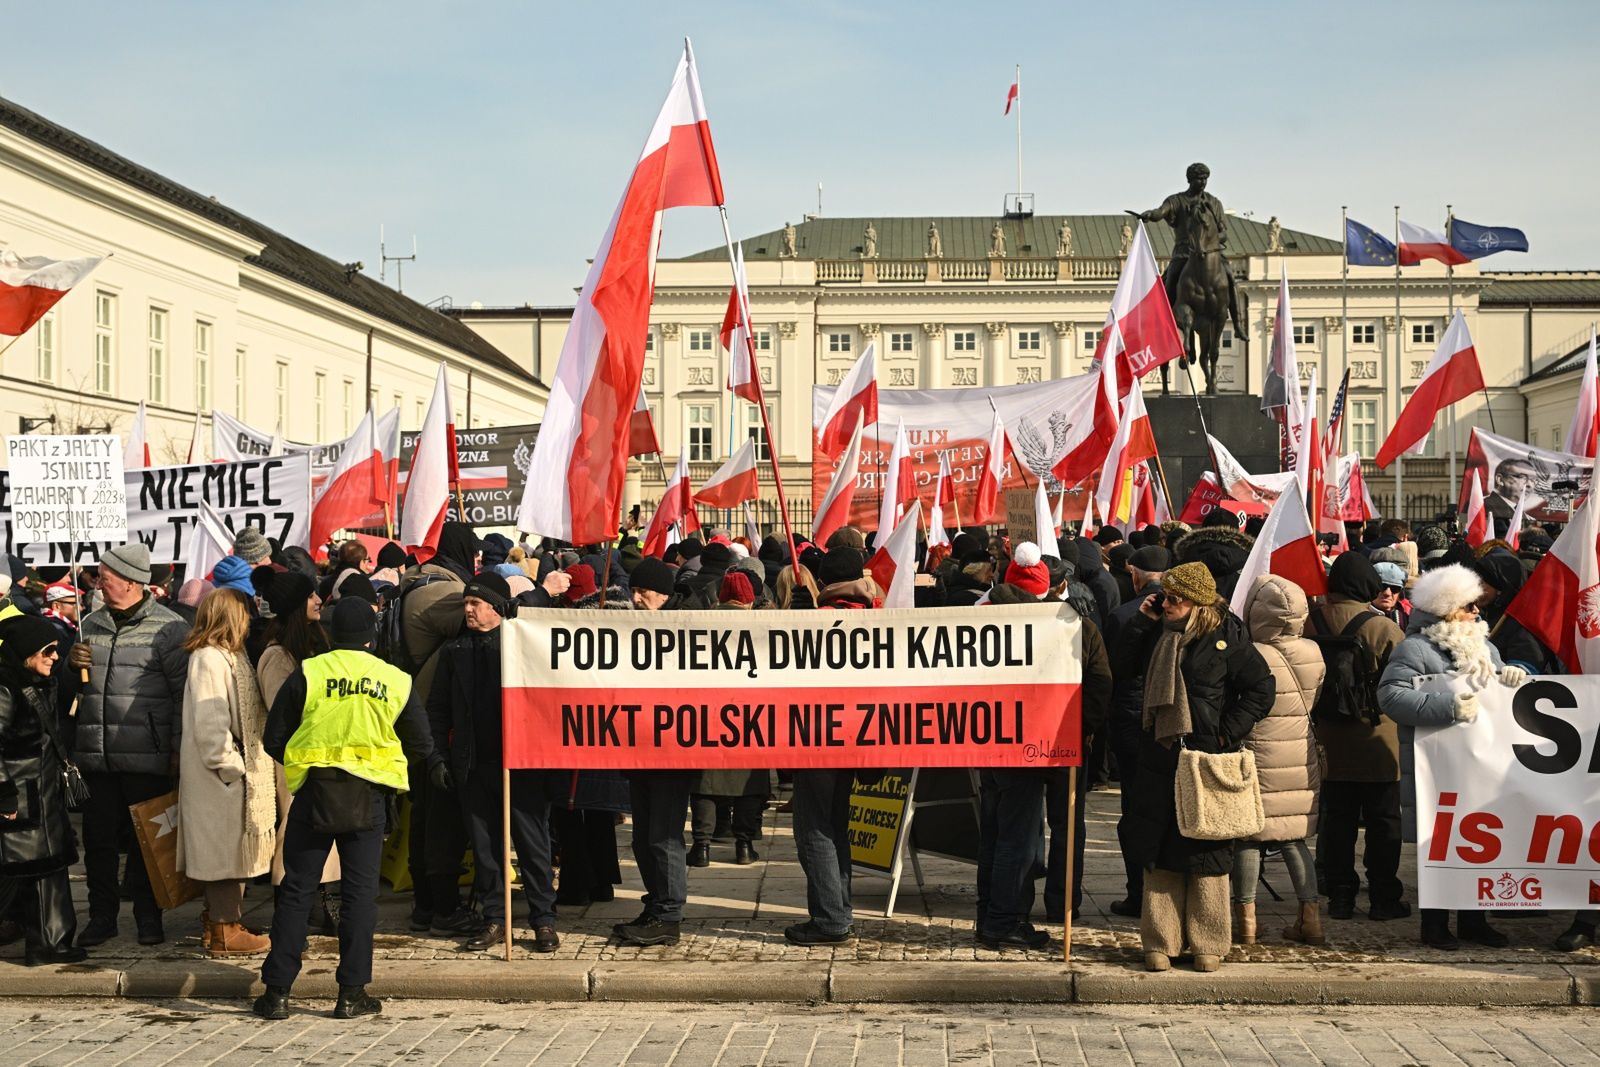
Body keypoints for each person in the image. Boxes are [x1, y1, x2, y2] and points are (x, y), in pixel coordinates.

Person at [255, 597, 443, 1020]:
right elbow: (421, 743)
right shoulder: (394, 679)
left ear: (330, 634)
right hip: (368, 800)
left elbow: (274, 739)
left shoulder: (309, 672)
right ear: (372, 638)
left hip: (314, 796)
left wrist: (306, 764)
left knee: (297, 893)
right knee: (360, 898)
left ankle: (277, 993)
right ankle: (351, 993)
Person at [1114, 562, 1274, 972]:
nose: (1166, 603)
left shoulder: (1226, 636)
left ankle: (1208, 941)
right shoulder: (1154, 630)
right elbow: (1122, 668)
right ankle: (1161, 941)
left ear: (1197, 604)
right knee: (1159, 847)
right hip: (1160, 755)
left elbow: (1260, 688)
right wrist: (1140, 623)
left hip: (1206, 756)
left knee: (1208, 848)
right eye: (1164, 596)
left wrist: (1225, 733)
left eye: (1174, 598)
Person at [1377, 563, 1526, 951]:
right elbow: (1391, 696)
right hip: (1438, 768)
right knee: (1440, 846)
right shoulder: (1415, 649)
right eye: (1469, 607)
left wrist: (1512, 676)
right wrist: (1448, 707)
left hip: (1480, 765)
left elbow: (1495, 690)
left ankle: (1474, 921)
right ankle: (1435, 924)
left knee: (1478, 845)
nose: (1478, 613)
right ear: (1447, 608)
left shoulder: (1484, 645)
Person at [66, 543, 190, 948]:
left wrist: (174, 752)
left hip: (146, 756)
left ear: (134, 583)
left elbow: (181, 696)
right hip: (96, 755)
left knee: (145, 845)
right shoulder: (91, 624)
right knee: (99, 842)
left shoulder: (170, 629)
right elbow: (70, 693)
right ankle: (102, 917)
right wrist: (72, 666)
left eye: (107, 577)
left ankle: (148, 917)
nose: (99, 583)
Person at [428, 572, 559, 954]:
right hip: (473, 765)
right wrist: (438, 756)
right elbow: (438, 709)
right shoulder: (454, 651)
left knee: (532, 845)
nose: (468, 609)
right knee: (486, 849)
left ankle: (543, 919)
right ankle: (494, 918)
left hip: (520, 763)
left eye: (475, 603)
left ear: (495, 607)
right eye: (466, 603)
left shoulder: (520, 645)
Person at [1311, 554, 1410, 923]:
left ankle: (1339, 895)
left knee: (1337, 822)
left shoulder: (1311, 620)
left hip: (1328, 740)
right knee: (1384, 821)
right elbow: (1405, 681)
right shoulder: (1382, 627)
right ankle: (1384, 896)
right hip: (1377, 739)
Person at [179, 589, 276, 958]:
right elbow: (211, 724)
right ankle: (224, 929)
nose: (249, 621)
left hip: (227, 776)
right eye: (245, 614)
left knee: (230, 854)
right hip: (219, 778)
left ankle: (220, 925)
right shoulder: (208, 659)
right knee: (223, 857)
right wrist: (233, 767)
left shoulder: (227, 656)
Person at [395, 522, 479, 936]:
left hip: (418, 713)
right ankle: (443, 907)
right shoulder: (440, 591)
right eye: (473, 551)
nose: (478, 559)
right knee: (439, 815)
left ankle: (426, 904)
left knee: (425, 812)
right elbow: (487, 613)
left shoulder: (421, 583)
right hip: (431, 718)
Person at [1234, 575, 1326, 946]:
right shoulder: (1314, 652)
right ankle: (1311, 919)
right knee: (1294, 838)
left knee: (1249, 837)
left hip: (1258, 753)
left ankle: (1246, 923)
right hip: (1300, 755)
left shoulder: (1250, 653)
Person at [612, 557, 697, 947]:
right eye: (633, 591)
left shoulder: (688, 625)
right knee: (643, 836)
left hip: (672, 754)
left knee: (663, 836)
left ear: (663, 595)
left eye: (642, 593)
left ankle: (668, 915)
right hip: (640, 748)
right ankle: (656, 903)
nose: (635, 599)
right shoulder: (638, 624)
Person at [255, 570, 342, 935]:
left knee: (319, 829)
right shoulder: (278, 655)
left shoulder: (309, 642)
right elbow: (283, 711)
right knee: (294, 832)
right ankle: (293, 909)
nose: (318, 600)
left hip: (316, 752)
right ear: (295, 605)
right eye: (310, 596)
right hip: (292, 758)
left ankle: (317, 903)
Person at [0, 615, 85, 965]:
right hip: (19, 795)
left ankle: (51, 943)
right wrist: (3, 793)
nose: (54, 656)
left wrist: (73, 672)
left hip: (42, 792)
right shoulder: (6, 687)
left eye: (56, 650)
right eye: (47, 650)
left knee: (48, 870)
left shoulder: (37, 680)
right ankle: (47, 942)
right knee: (19, 874)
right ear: (25, 652)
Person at [1105, 545, 1168, 917]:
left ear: (1135, 576)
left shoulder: (1122, 614)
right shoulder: (1187, 615)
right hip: (1167, 719)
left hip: (1132, 720)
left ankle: (1138, 890)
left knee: (1135, 807)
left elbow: (1114, 670)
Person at [1372, 561, 1411, 629]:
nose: (1387, 593)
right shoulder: (1357, 616)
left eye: (1395, 588)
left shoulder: (1409, 621)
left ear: (1400, 593)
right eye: (1382, 587)